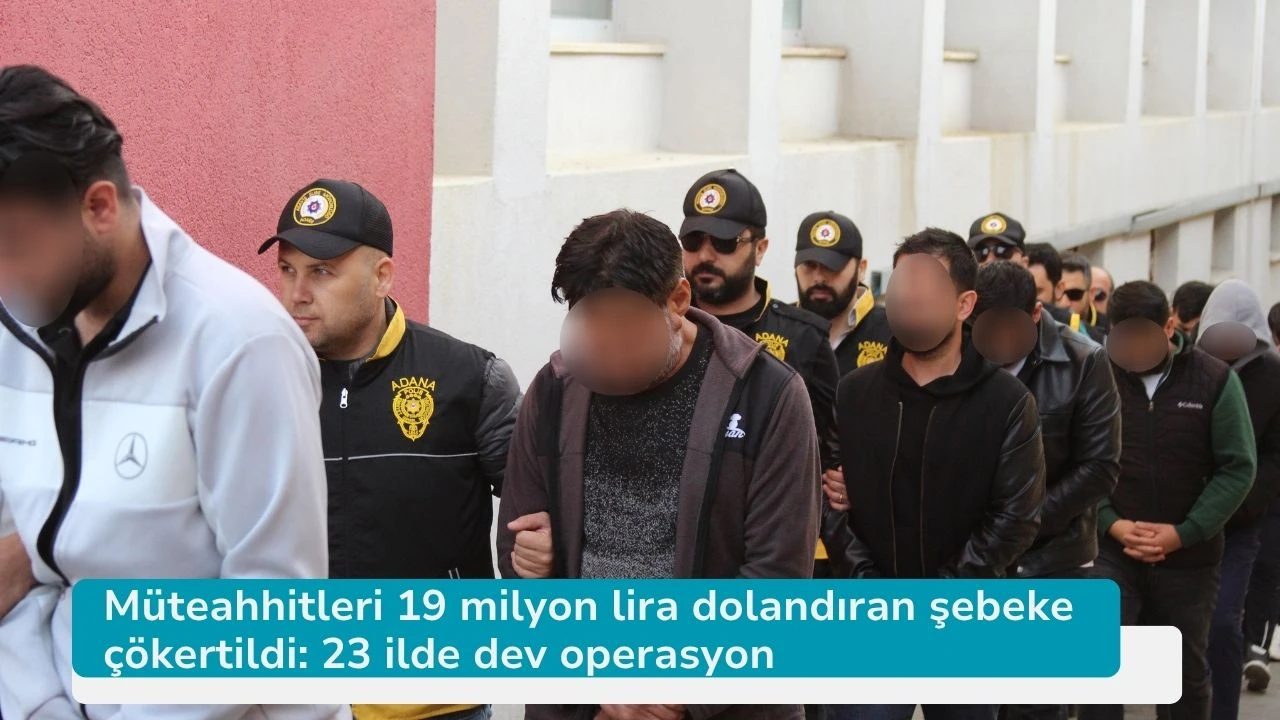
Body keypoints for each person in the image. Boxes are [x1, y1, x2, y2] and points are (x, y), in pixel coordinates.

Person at [0, 65, 349, 719]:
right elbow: (15, 574)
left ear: (99, 208)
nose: (5, 278)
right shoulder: (14, 328)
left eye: (16, 245)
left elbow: (271, 611)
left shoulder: (241, 343)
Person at [497, 209, 818, 720]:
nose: (604, 343)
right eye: (588, 319)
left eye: (623, 323)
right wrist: (531, 565)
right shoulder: (555, 390)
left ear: (678, 301)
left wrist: (676, 690)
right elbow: (515, 544)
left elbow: (776, 581)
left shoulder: (766, 395)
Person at [260, 179, 522, 720]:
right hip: (302, 699)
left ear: (382, 276)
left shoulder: (470, 378)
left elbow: (539, 515)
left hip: (441, 701)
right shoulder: (259, 383)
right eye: (287, 269)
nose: (297, 293)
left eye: (322, 272)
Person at [833, 229, 1046, 720]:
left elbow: (1016, 518)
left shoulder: (1007, 403)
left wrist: (940, 600)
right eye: (901, 293)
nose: (909, 305)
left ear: (964, 304)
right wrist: (870, 588)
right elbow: (828, 499)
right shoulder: (855, 393)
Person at [1082, 281, 1257, 720]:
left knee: (1183, 674)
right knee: (1098, 665)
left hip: (1189, 557)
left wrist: (1186, 532)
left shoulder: (1215, 380)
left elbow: (1238, 467)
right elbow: (1074, 461)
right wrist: (1110, 522)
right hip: (1110, 551)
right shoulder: (1094, 377)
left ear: (1169, 326)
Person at [968, 262, 1121, 720]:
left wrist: (1023, 524)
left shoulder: (1084, 361)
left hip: (1053, 561)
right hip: (971, 561)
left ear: (1035, 314)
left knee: (1034, 703)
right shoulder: (956, 357)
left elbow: (1100, 466)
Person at [677, 169, 841, 589]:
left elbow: (830, 452)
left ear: (760, 247)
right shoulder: (667, 329)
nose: (706, 255)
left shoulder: (804, 338)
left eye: (725, 242)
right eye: (693, 241)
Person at [1190, 282, 1280, 703]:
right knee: (1184, 628)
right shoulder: (1188, 370)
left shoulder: (1273, 377)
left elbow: (1274, 455)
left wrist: (1242, 501)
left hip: (1243, 521)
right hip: (1185, 520)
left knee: (1225, 622)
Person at [794, 210, 892, 377]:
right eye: (809, 265)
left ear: (861, 269)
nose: (819, 278)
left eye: (832, 267)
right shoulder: (776, 330)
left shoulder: (893, 332)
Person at [1026, 242, 1088, 333]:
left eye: (1036, 292)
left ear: (1058, 289)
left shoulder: (1073, 331)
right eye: (1021, 290)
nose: (1026, 298)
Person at [1059, 253, 1108, 343]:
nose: (1064, 302)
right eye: (1058, 293)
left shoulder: (1109, 332)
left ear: (1091, 294)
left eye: (1074, 294)